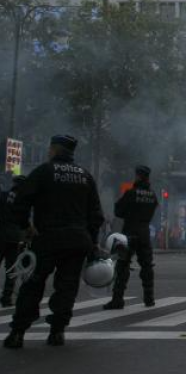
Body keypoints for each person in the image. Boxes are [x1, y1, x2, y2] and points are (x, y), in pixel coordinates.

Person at [4, 135, 104, 349]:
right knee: (67, 287)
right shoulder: (85, 176)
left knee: (33, 284)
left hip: (48, 238)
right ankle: (57, 332)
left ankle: (18, 333)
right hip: (78, 241)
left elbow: (20, 202)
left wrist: (26, 227)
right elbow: (96, 216)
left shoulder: (44, 171)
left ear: (55, 149)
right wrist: (92, 242)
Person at [104, 165, 159, 310]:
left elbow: (119, 211)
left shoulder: (131, 193)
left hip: (129, 232)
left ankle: (117, 299)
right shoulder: (152, 195)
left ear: (138, 176)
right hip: (144, 232)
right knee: (147, 265)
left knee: (123, 265)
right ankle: (149, 298)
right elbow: (153, 213)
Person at [0, 176, 26, 307]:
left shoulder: (3, 195)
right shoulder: (23, 201)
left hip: (1, 234)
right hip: (14, 238)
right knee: (11, 269)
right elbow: (24, 221)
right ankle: (6, 298)